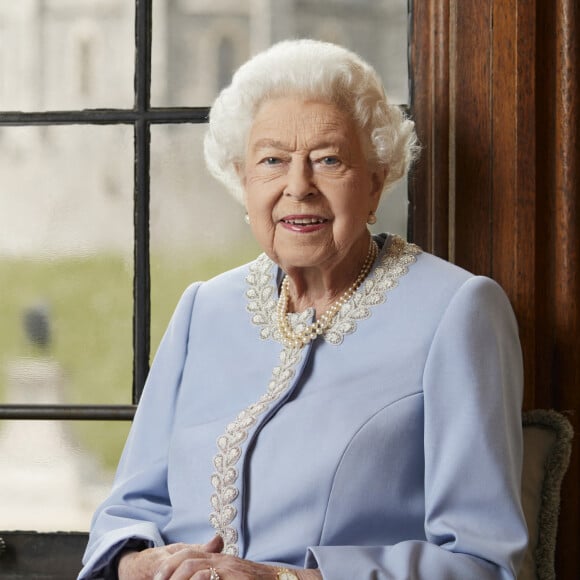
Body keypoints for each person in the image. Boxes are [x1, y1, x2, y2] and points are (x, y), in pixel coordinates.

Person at [79, 39, 527, 580]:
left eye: (328, 160)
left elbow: (483, 563)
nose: (299, 187)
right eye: (272, 161)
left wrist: (283, 579)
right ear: (243, 182)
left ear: (375, 182)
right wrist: (138, 563)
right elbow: (127, 511)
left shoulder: (458, 311)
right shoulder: (204, 308)